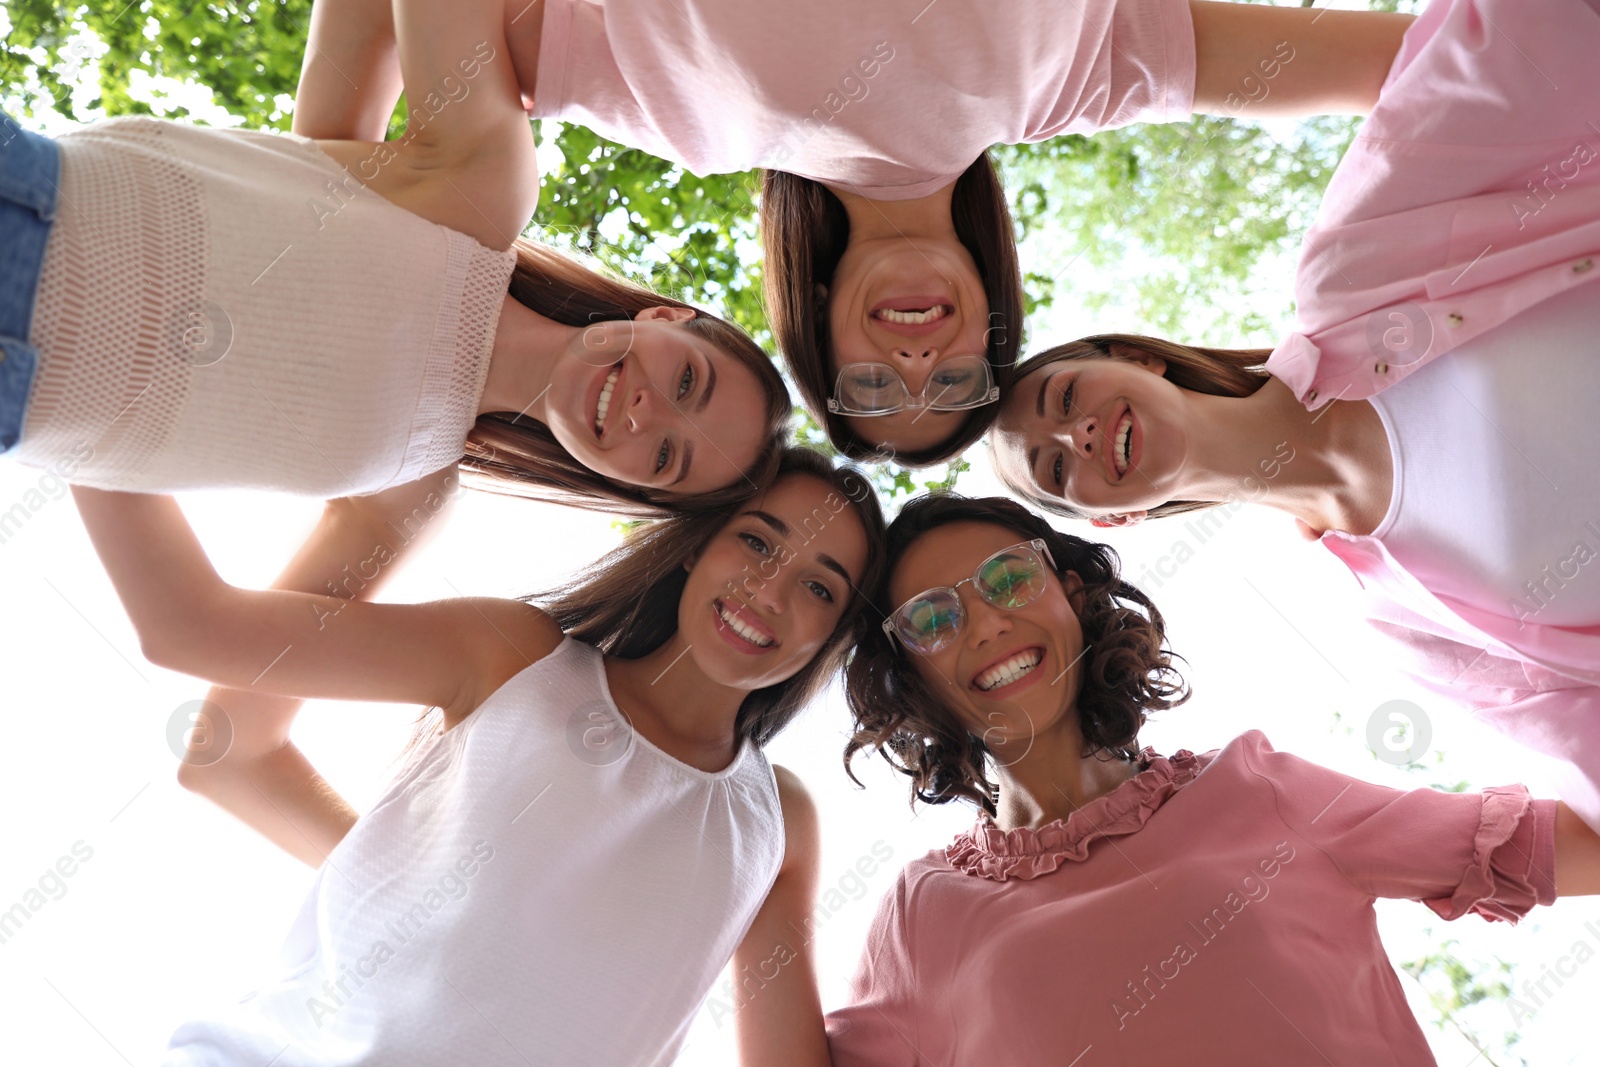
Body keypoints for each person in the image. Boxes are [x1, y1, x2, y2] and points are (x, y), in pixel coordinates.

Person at [305, 0, 1416, 464]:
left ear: (819, 338)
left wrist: (319, 175)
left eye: (876, 389)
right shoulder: (1083, 73)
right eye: (956, 383)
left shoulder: (678, 116)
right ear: (994, 320)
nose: (918, 362)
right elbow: (1422, 64)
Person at [992, 0, 1600, 834]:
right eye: (1056, 468)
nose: (1076, 436)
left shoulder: (1363, 269)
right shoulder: (1413, 625)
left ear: (1133, 360)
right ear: (1116, 514)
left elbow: (1517, 51)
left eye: (1064, 401)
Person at [67, 448, 885, 1065]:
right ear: (696, 548)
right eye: (756, 541)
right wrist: (66, 397)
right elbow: (221, 739)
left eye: (821, 586)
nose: (770, 592)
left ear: (834, 639)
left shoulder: (779, 825)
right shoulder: (515, 656)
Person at [792, 492, 1599, 1065]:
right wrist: (768, 884)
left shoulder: (1257, 788)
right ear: (912, 678)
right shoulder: (919, 913)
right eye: (934, 618)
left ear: (1071, 594)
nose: (986, 621)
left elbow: (1555, 846)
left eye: (1009, 578)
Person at [0, 0, 791, 529]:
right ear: (666, 317)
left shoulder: (413, 484)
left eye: (665, 458)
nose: (648, 412)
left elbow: (194, 631)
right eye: (688, 380)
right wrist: (327, 151)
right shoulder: (483, 199)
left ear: (628, 485)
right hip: (26, 213)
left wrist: (323, 161)